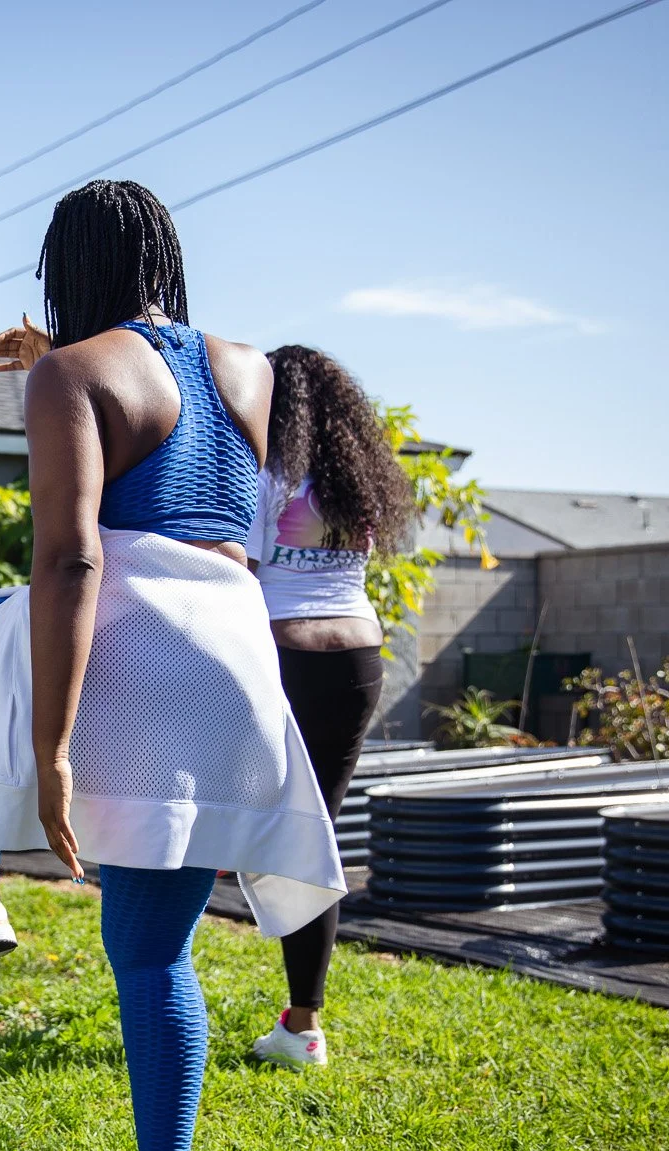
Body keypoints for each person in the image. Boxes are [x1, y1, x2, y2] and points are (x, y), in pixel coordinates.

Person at [0, 181, 343, 1151]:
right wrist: (49, 359)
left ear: (67, 270)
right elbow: (181, 448)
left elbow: (70, 556)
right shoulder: (247, 366)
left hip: (138, 639)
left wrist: (53, 751)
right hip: (234, 647)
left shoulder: (72, 374)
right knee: (153, 950)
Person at [244, 345, 414, 1070]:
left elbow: (240, 570)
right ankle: (302, 1022)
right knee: (316, 830)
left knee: (252, 825)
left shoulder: (267, 476)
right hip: (357, 661)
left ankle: (171, 979)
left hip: (282, 657)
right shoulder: (360, 485)